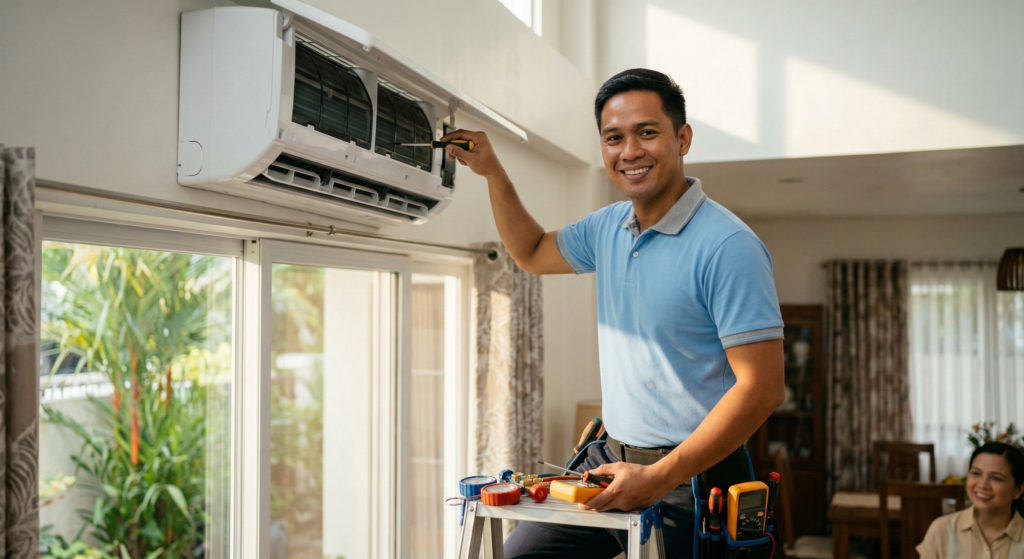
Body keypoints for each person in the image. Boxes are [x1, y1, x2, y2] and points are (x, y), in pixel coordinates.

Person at [442, 68, 785, 558]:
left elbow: (763, 387)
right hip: (608, 459)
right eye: (614, 138)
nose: (630, 151)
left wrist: (659, 477)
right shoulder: (609, 227)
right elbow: (534, 251)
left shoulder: (729, 247)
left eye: (647, 132)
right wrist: (493, 171)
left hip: (694, 478)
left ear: (682, 138)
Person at [917, 442, 1024, 559]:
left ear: (1018, 490)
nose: (983, 485)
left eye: (996, 478)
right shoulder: (942, 529)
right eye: (976, 473)